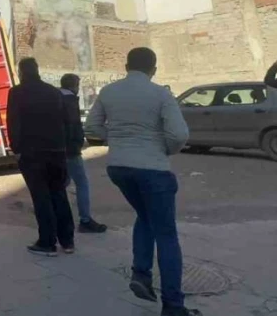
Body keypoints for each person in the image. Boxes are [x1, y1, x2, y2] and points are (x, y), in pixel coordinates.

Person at [85, 47, 200, 316]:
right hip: (153, 169)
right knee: (167, 235)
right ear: (154, 69)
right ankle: (173, 306)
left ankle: (141, 273)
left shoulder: (109, 92)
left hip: (118, 168)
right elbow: (179, 134)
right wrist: (165, 149)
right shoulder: (161, 94)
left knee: (145, 217)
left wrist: (118, 140)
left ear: (126, 66)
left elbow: (91, 128)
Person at [7, 58, 75, 256]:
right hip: (56, 151)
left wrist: (16, 149)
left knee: (41, 197)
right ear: (37, 71)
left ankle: (47, 242)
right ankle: (67, 241)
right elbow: (66, 121)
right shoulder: (54, 92)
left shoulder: (17, 92)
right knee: (59, 194)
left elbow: (14, 122)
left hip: (32, 152)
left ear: (21, 72)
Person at [60, 73, 107, 234]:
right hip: (71, 150)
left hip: (58, 148)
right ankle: (85, 220)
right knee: (82, 183)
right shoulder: (70, 100)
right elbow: (73, 126)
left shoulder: (55, 97)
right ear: (74, 86)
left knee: (62, 182)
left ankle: (55, 212)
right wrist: (77, 144)